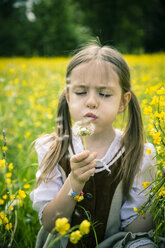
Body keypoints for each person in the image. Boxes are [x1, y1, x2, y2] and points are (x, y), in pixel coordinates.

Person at [30, 44, 164, 248]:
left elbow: (136, 231)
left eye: (104, 94)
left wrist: (157, 195)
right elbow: (51, 224)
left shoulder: (138, 153)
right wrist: (73, 182)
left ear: (123, 101)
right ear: (68, 97)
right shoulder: (52, 148)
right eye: (81, 92)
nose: (91, 102)